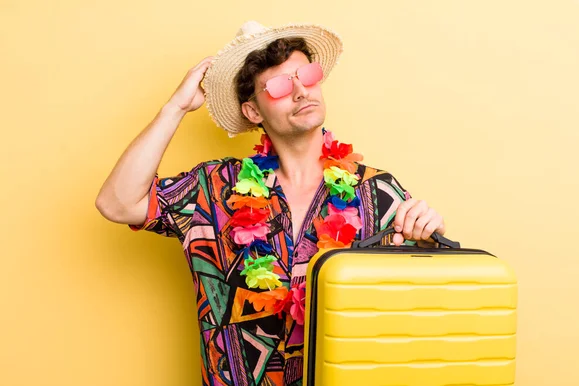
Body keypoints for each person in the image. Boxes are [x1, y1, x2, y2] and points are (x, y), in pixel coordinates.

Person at [95, 21, 446, 386]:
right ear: (253, 112)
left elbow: (420, 297)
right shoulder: (213, 189)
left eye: (306, 76)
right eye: (278, 86)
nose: (300, 92)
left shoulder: (376, 191)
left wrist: (429, 232)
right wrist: (176, 107)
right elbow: (117, 203)